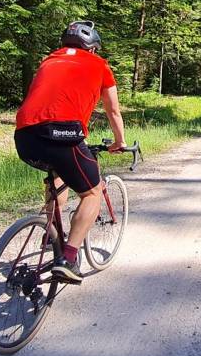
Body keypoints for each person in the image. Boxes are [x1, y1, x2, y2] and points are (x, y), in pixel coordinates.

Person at [14, 20, 126, 284]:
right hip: (63, 134)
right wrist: (119, 141)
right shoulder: (100, 65)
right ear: (93, 48)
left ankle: (50, 232)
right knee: (92, 192)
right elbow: (112, 110)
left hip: (25, 137)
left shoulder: (48, 61)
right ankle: (68, 258)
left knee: (59, 176)